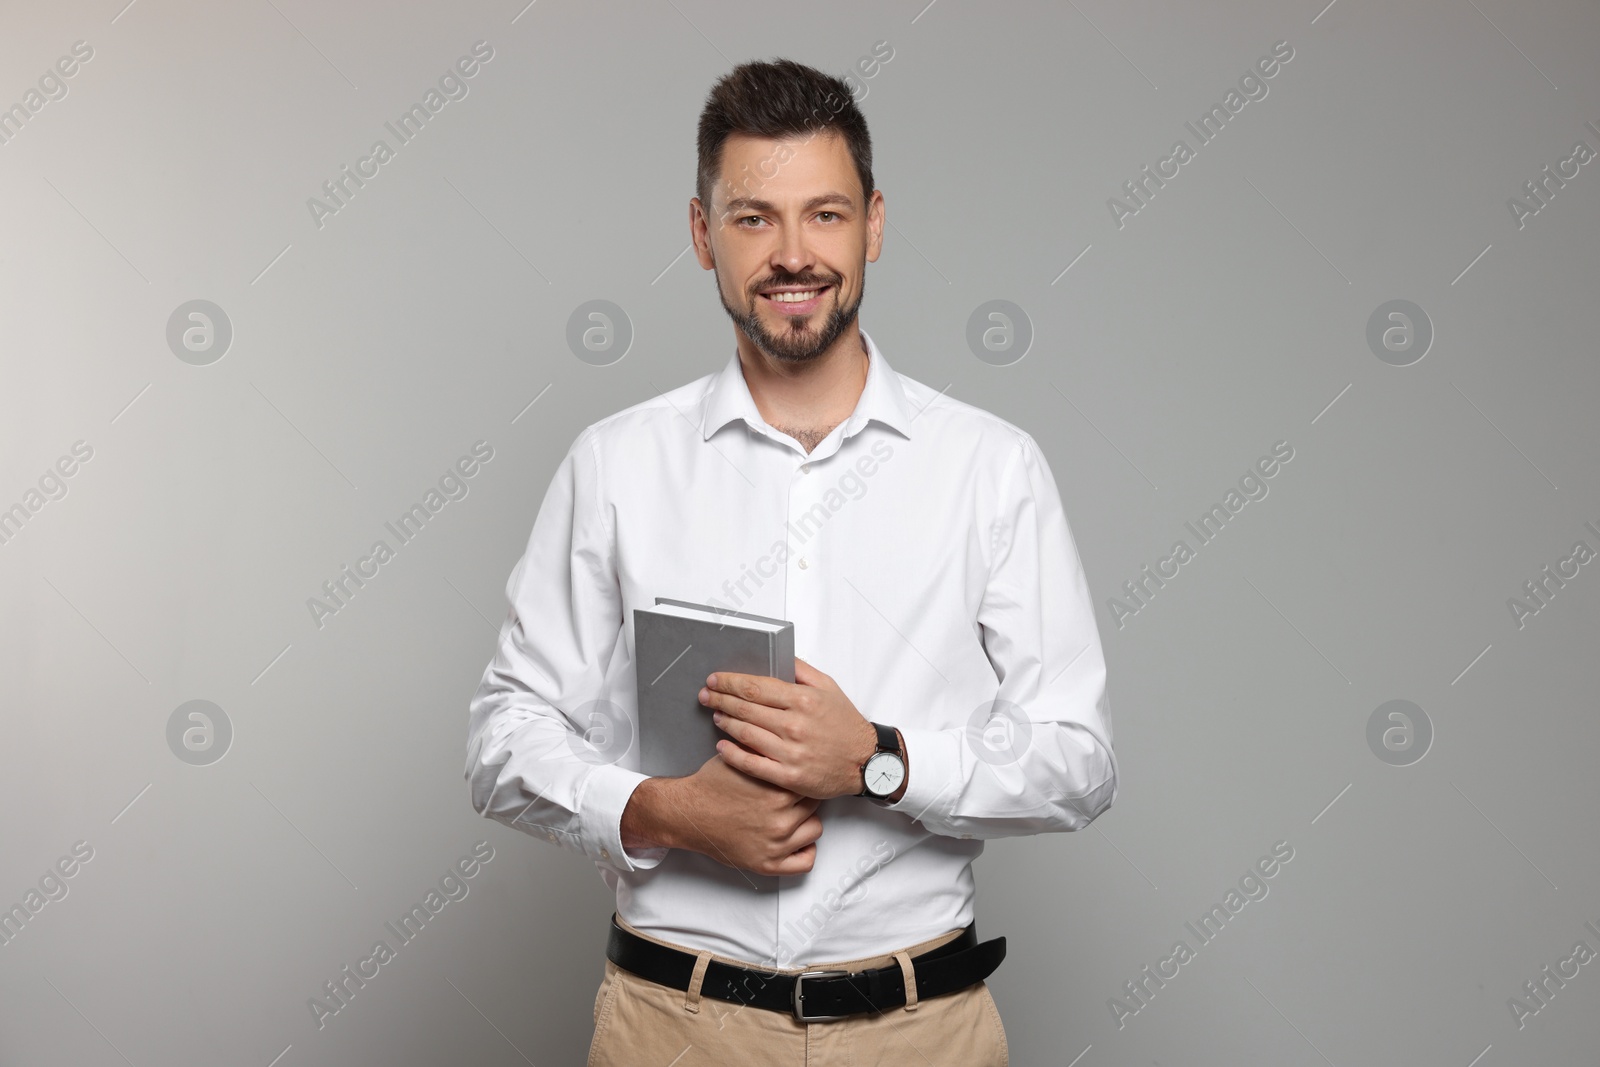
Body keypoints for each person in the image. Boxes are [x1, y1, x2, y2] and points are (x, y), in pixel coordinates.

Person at [465, 57, 1117, 1066]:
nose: (792, 254)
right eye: (753, 217)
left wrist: (877, 760)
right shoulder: (616, 465)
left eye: (823, 214)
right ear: (701, 234)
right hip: (671, 1028)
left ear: (873, 225)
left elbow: (1078, 758)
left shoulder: (990, 468)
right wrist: (661, 808)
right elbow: (503, 738)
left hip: (922, 1033)